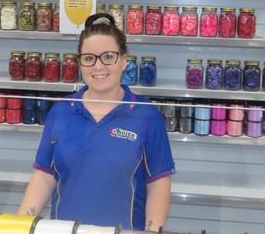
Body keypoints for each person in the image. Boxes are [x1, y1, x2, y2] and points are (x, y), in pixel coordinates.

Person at [19, 13, 176, 232]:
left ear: (123, 60)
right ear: (80, 62)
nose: (98, 66)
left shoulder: (147, 115)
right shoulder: (62, 110)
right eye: (89, 58)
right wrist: (19, 226)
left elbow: (158, 183)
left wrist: (151, 231)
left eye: (108, 56)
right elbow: (44, 176)